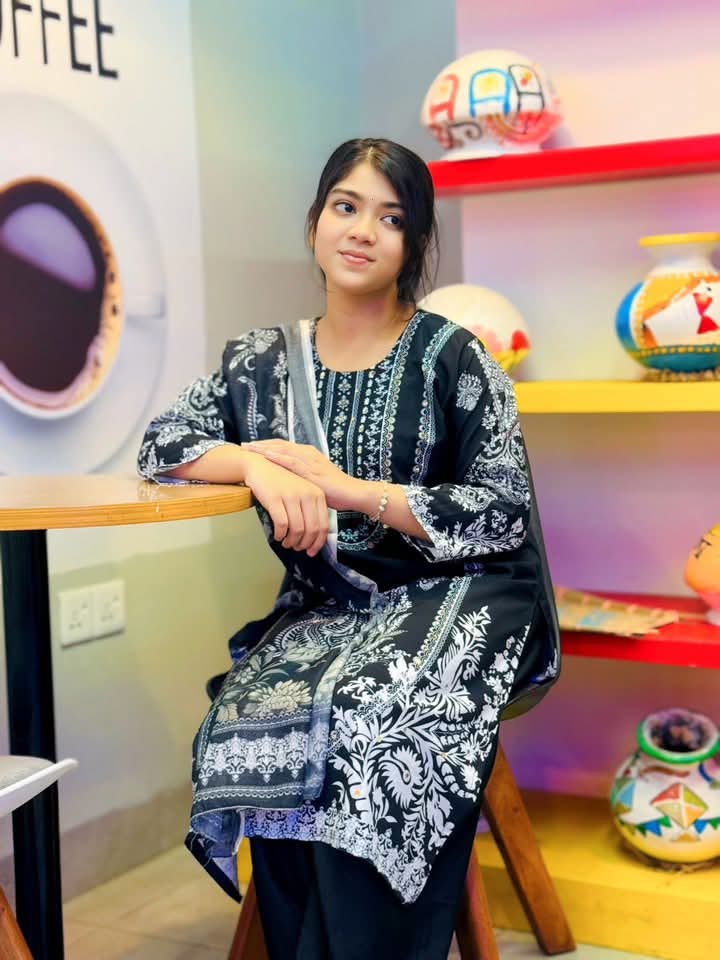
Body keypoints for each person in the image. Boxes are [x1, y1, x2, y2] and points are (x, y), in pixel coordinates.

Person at [137, 138, 557, 959]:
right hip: (331, 603)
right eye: (346, 206)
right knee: (255, 713)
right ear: (315, 223)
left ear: (415, 243)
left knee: (371, 714)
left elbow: (502, 510)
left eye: (391, 218)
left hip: (467, 590)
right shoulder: (259, 362)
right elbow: (164, 444)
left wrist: (348, 489)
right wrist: (254, 463)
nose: (363, 230)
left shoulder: (453, 356)